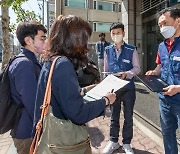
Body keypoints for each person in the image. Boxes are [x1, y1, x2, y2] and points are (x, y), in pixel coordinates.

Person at [32, 15, 116, 153]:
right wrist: (106, 100)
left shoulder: (51, 60)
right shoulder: (63, 64)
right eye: (84, 39)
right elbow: (78, 113)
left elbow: (61, 95)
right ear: (74, 39)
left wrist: (84, 90)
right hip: (64, 143)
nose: (86, 45)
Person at [8, 21, 47, 154]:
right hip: (27, 133)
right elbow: (34, 104)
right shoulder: (24, 64)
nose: (45, 42)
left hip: (30, 129)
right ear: (28, 40)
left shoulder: (30, 61)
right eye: (42, 38)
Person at [146, 7, 180, 154]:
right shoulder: (161, 46)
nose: (162, 28)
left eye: (165, 23)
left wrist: (178, 88)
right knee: (167, 134)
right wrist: (154, 72)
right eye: (160, 25)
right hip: (164, 100)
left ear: (177, 21)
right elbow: (160, 66)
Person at [103, 22, 141, 154]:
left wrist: (128, 74)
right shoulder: (107, 50)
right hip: (114, 90)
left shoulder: (131, 49)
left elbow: (137, 68)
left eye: (118, 33)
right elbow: (106, 70)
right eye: (113, 33)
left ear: (123, 33)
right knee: (114, 116)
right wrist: (105, 87)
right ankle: (113, 141)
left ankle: (126, 143)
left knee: (128, 117)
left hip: (128, 89)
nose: (115, 35)